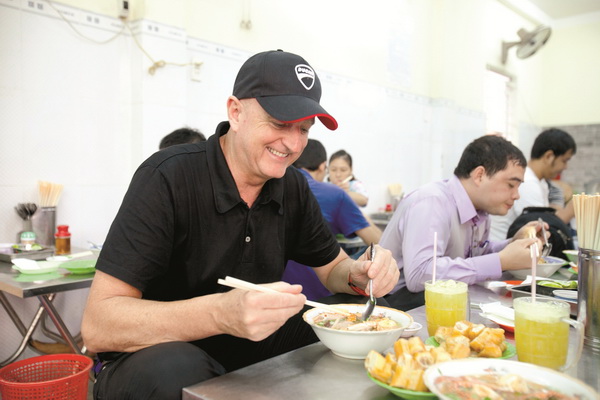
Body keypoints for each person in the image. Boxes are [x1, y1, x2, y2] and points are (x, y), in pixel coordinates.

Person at [81, 50, 400, 400]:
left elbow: (333, 268)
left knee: (366, 316)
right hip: (153, 352)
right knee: (178, 370)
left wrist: (358, 274)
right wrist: (220, 313)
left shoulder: (292, 185)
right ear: (235, 112)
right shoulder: (168, 177)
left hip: (249, 342)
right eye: (279, 123)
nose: (293, 144)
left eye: (304, 129)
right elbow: (98, 325)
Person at [379, 135, 544, 310]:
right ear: (480, 175)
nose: (517, 195)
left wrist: (513, 244)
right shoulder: (431, 202)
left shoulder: (480, 210)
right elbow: (421, 275)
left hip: (438, 300)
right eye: (511, 185)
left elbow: (475, 255)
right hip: (395, 305)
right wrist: (500, 261)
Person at [281, 139, 382, 300]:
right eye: (333, 169)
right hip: (316, 295)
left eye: (343, 170)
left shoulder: (273, 187)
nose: (338, 174)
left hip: (273, 292)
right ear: (324, 167)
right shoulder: (334, 194)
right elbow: (377, 241)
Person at [490, 128, 577, 241]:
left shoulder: (540, 181)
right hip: (504, 247)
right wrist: (571, 210)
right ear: (549, 156)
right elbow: (542, 229)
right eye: (564, 161)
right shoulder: (527, 182)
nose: (565, 167)